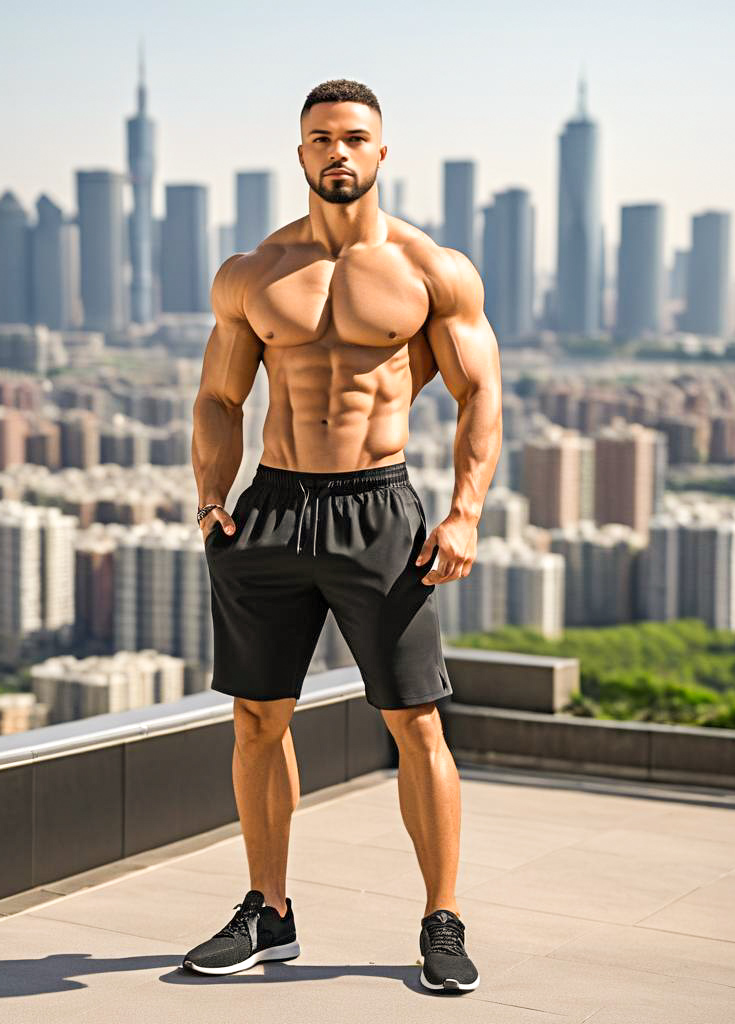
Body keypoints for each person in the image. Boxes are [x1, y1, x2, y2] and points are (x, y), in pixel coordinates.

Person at [183, 78, 502, 993]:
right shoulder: (254, 273)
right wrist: (212, 497)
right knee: (256, 717)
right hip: (273, 507)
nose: (338, 152)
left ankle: (441, 920)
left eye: (355, 137)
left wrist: (465, 511)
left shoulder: (431, 269)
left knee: (414, 721)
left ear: (381, 152)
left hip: (379, 510)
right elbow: (218, 396)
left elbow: (479, 392)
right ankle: (268, 912)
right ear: (301, 154)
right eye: (321, 137)